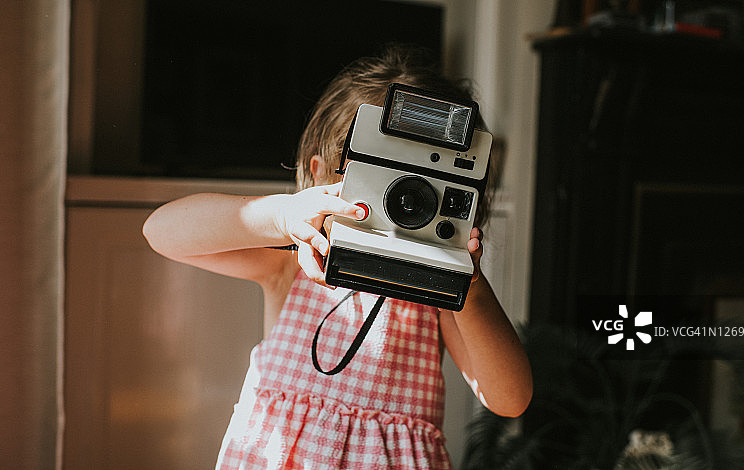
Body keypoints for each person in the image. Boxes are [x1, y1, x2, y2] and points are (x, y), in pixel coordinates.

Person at [143, 45, 532, 470]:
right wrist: (280, 216)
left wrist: (468, 286)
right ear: (323, 174)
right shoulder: (294, 263)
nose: (405, 199)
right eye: (386, 176)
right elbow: (162, 233)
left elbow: (510, 399)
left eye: (423, 185)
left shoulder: (435, 297)